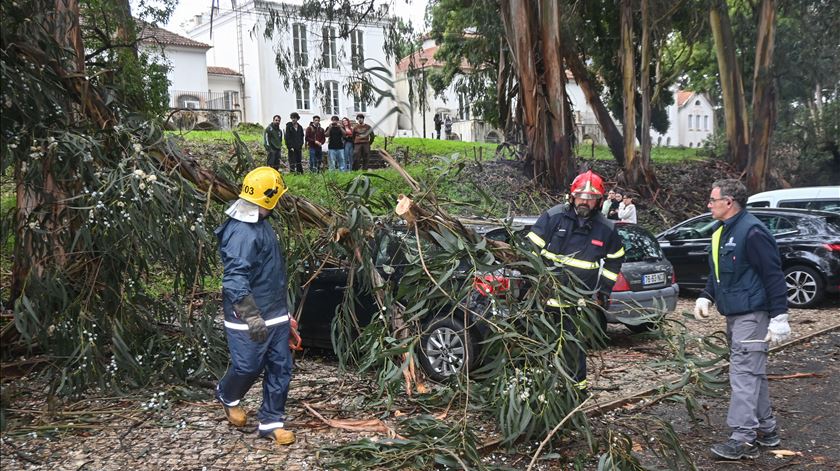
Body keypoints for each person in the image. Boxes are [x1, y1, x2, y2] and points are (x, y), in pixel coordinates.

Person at [694, 178, 791, 460]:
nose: (709, 204)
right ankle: (766, 430)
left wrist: (779, 316)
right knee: (753, 372)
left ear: (729, 202)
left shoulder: (753, 232)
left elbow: (773, 275)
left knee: (743, 374)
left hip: (753, 314)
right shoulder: (722, 231)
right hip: (736, 313)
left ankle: (743, 437)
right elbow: (718, 272)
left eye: (713, 200)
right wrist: (706, 295)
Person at [214, 166, 296, 446]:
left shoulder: (261, 223)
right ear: (270, 198)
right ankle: (228, 395)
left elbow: (270, 273)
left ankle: (271, 422)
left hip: (274, 313)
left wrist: (285, 314)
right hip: (247, 317)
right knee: (248, 366)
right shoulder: (242, 233)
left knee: (280, 367)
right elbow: (235, 279)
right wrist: (252, 318)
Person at [526, 170, 625, 393]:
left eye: (591, 198)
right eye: (581, 196)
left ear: (599, 201)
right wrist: (532, 283)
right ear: (572, 196)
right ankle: (540, 391)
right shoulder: (553, 218)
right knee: (540, 345)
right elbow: (529, 252)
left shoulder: (606, 229)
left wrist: (604, 291)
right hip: (544, 302)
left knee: (574, 349)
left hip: (578, 305)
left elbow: (615, 260)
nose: (585, 201)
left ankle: (575, 393)